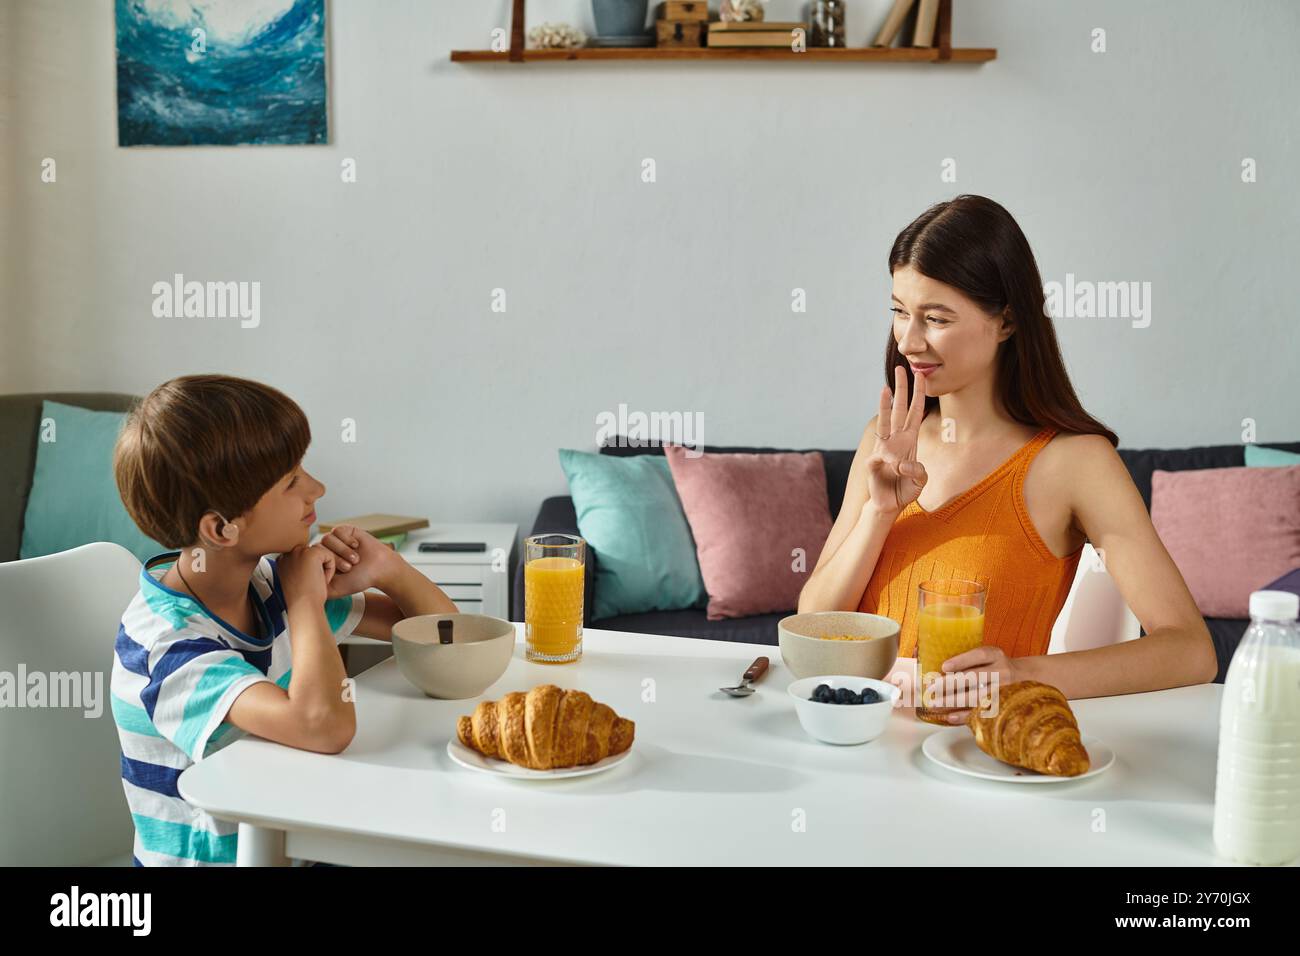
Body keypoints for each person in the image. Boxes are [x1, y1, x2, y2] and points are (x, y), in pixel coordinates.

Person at [798, 195, 1216, 721]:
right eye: (900, 312)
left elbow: (1190, 651)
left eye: (936, 318)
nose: (908, 340)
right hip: (856, 740)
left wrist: (1019, 674)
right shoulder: (883, 442)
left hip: (980, 760)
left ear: (1008, 322)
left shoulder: (1075, 463)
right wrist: (878, 513)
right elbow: (814, 624)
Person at [110, 374, 457, 865]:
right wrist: (305, 603)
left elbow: (446, 639)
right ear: (221, 528)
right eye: (292, 481)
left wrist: (390, 570)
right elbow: (323, 727)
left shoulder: (269, 583)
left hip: (296, 841)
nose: (318, 488)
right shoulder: (166, 647)